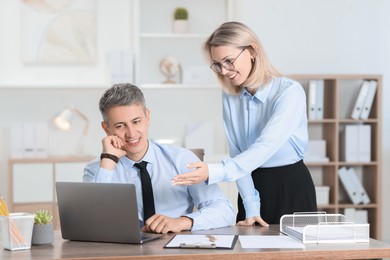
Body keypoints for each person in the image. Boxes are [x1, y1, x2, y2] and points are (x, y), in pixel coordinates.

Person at [172, 21, 317, 226]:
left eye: (228, 61)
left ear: (251, 51)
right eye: (217, 64)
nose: (223, 70)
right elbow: (237, 150)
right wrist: (251, 206)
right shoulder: (230, 95)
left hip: (289, 185)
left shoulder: (289, 93)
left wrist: (215, 171)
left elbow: (264, 147)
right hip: (248, 184)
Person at [83, 83, 235, 234]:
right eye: (120, 126)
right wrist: (108, 159)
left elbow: (224, 210)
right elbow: (90, 222)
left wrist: (182, 222)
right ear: (107, 128)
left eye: (136, 122)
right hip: (122, 253)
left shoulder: (180, 159)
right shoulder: (97, 170)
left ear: (147, 117)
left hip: (174, 250)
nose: (131, 133)